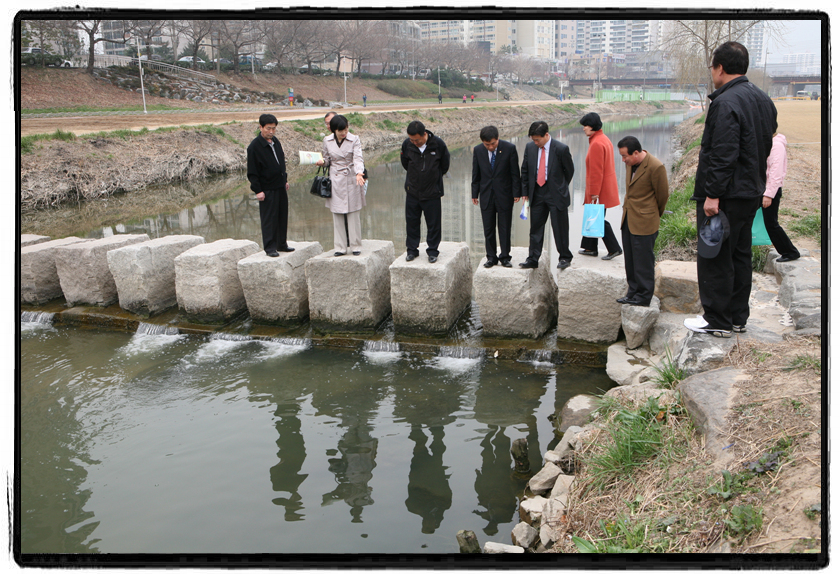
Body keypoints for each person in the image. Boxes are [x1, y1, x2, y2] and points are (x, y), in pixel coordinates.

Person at [684, 41, 777, 338]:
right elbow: (766, 142)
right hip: (750, 191)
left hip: (725, 195)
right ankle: (737, 317)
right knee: (739, 254)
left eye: (712, 66)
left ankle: (717, 320)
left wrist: (712, 193)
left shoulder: (725, 102)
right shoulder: (763, 99)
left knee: (715, 256)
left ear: (720, 68)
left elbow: (723, 153)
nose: (712, 72)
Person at [615, 136, 669, 307]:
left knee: (643, 261)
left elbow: (663, 196)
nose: (623, 160)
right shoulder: (630, 164)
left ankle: (644, 296)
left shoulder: (656, 166)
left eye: (625, 156)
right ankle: (632, 292)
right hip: (629, 218)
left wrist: (652, 214)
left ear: (636, 153)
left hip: (645, 221)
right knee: (630, 259)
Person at [519, 121, 575, 270]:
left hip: (555, 193)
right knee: (535, 228)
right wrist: (525, 192)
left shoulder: (561, 149)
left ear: (546, 135)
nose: (535, 142)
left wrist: (560, 187)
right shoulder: (530, 148)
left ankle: (564, 257)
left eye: (538, 139)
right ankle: (533, 258)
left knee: (560, 227)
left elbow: (569, 171)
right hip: (536, 193)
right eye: (533, 139)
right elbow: (524, 171)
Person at [315, 114, 366, 256]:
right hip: (336, 179)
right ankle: (340, 247)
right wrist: (321, 162)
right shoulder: (327, 140)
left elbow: (358, 158)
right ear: (333, 130)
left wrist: (359, 173)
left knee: (353, 212)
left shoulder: (354, 139)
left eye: (345, 129)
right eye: (340, 131)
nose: (344, 133)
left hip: (351, 178)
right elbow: (327, 159)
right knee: (337, 214)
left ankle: (355, 245)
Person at [471, 126, 522, 268]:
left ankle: (505, 257)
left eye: (493, 143)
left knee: (504, 227)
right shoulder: (478, 150)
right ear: (482, 142)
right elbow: (476, 174)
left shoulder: (509, 148)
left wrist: (516, 192)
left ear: (498, 139)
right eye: (487, 144)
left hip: (504, 195)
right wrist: (474, 194)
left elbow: (514, 173)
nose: (490, 147)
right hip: (486, 195)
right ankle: (491, 257)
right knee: (488, 228)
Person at [400, 120, 450, 263]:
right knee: (412, 222)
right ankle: (412, 250)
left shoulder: (438, 144)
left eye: (416, 139)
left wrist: (432, 177)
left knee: (433, 224)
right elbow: (405, 163)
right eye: (411, 139)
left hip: (432, 192)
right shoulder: (407, 145)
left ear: (424, 134)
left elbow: (444, 165)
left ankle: (433, 251)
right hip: (412, 191)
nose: (414, 142)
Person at [247, 113, 294, 256]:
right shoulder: (254, 147)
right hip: (266, 189)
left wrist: (284, 179)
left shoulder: (276, 142)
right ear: (261, 127)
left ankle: (281, 243)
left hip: (279, 186)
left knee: (282, 216)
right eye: (268, 128)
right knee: (269, 219)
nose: (271, 132)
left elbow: (281, 163)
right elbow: (252, 172)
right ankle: (270, 247)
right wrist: (258, 190)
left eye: (274, 128)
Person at [578, 112, 622, 260]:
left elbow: (597, 171)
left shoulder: (596, 143)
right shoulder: (603, 139)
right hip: (606, 186)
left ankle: (614, 248)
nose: (584, 128)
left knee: (597, 218)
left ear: (592, 127)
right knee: (594, 215)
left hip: (600, 188)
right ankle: (590, 247)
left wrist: (594, 192)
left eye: (586, 126)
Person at [762, 132, 800, 263]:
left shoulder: (776, 145)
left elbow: (776, 172)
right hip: (764, 188)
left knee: (771, 223)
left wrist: (768, 194)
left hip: (770, 190)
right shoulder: (768, 142)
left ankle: (790, 252)